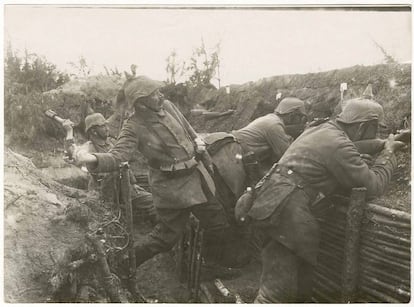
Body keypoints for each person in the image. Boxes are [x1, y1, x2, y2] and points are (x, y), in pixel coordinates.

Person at [234, 98, 405, 303]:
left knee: (293, 288)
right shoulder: (338, 144)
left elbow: (350, 146)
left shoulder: (321, 129)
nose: (377, 134)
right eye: (375, 130)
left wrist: (381, 143)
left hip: (274, 204)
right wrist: (388, 153)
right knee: (277, 294)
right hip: (286, 214)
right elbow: (374, 186)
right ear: (361, 127)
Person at [72, 76, 229, 268]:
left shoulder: (169, 106)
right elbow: (118, 156)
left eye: (159, 91)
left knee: (218, 221)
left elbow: (189, 130)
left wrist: (200, 148)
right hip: (171, 187)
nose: (160, 96)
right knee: (165, 238)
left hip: (196, 177)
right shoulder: (133, 126)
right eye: (154, 94)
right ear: (141, 102)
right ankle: (123, 264)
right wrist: (90, 158)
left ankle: (213, 267)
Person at [206, 97, 307, 202]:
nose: (300, 122)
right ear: (292, 115)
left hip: (229, 149)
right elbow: (286, 155)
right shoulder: (274, 125)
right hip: (232, 152)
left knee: (229, 195)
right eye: (300, 118)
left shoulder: (270, 118)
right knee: (237, 198)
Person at [63, 112, 157, 224]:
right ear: (93, 131)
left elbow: (124, 162)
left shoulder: (112, 144)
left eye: (106, 125)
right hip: (104, 192)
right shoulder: (89, 147)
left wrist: (133, 183)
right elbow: (73, 152)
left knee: (154, 201)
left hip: (125, 187)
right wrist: (69, 131)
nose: (107, 128)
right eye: (103, 126)